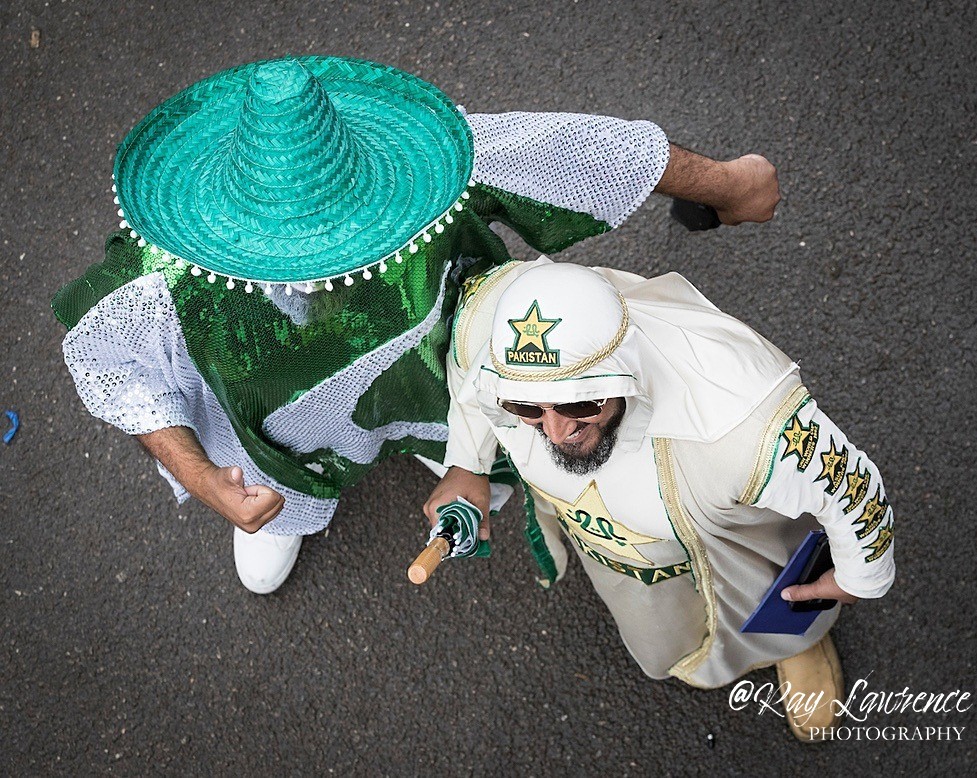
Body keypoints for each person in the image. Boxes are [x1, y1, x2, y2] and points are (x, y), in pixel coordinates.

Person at [53, 55, 780, 595]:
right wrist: (207, 479)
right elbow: (113, 367)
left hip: (443, 388)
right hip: (275, 442)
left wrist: (728, 183)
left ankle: (461, 463)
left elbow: (577, 154)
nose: (317, 271)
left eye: (344, 238)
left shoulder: (433, 181)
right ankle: (283, 512)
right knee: (270, 507)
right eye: (283, 254)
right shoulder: (155, 276)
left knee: (487, 454)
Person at [425, 259, 895, 741]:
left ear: (624, 368)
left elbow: (852, 487)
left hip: (733, 552)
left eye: (579, 403)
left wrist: (858, 576)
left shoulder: (744, 425)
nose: (557, 432)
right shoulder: (494, 324)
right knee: (654, 630)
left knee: (771, 595)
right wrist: (467, 461)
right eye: (526, 407)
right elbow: (471, 371)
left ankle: (795, 644)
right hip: (613, 554)